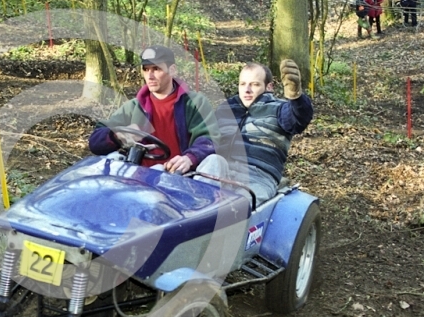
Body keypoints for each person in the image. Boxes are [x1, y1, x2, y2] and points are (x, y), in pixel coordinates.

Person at [89, 44, 220, 175]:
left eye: (156, 69)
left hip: (181, 178)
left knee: (215, 161)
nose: (150, 76)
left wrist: (189, 158)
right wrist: (117, 136)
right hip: (138, 176)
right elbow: (95, 141)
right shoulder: (134, 107)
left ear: (172, 70)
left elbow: (209, 139)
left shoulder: (194, 103)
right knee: (108, 161)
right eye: (146, 69)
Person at [200, 61, 314, 204]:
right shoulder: (226, 109)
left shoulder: (279, 109)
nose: (247, 90)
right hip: (221, 170)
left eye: (254, 84)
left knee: (237, 207)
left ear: (269, 87)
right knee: (212, 161)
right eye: (243, 84)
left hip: (257, 176)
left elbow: (299, 118)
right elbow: (205, 139)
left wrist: (295, 96)